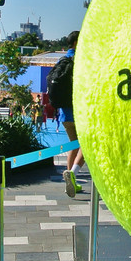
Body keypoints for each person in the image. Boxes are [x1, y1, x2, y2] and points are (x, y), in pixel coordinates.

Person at [54, 31, 85, 197]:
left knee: (73, 144)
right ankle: (73, 173)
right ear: (76, 43)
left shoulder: (62, 60)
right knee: (85, 147)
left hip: (64, 112)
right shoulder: (80, 59)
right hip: (78, 111)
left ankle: (70, 180)